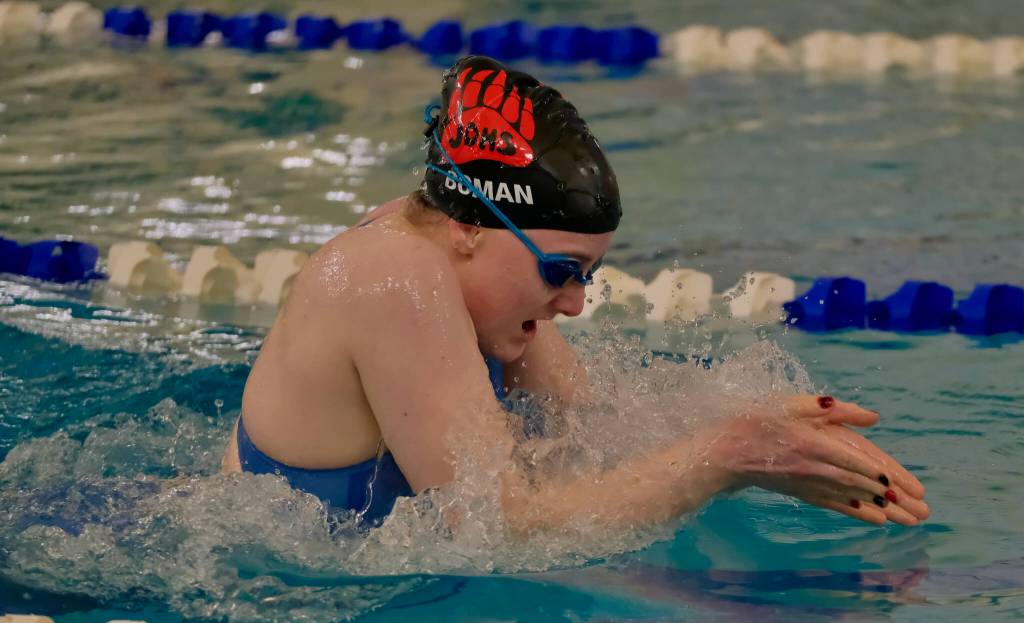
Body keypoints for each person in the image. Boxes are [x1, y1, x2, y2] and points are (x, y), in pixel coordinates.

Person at [220, 55, 929, 532]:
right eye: (561, 271)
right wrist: (731, 454)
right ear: (471, 224)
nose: (575, 303)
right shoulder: (394, 277)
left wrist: (758, 425)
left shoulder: (465, 266)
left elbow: (588, 425)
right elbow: (498, 530)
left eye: (585, 275)